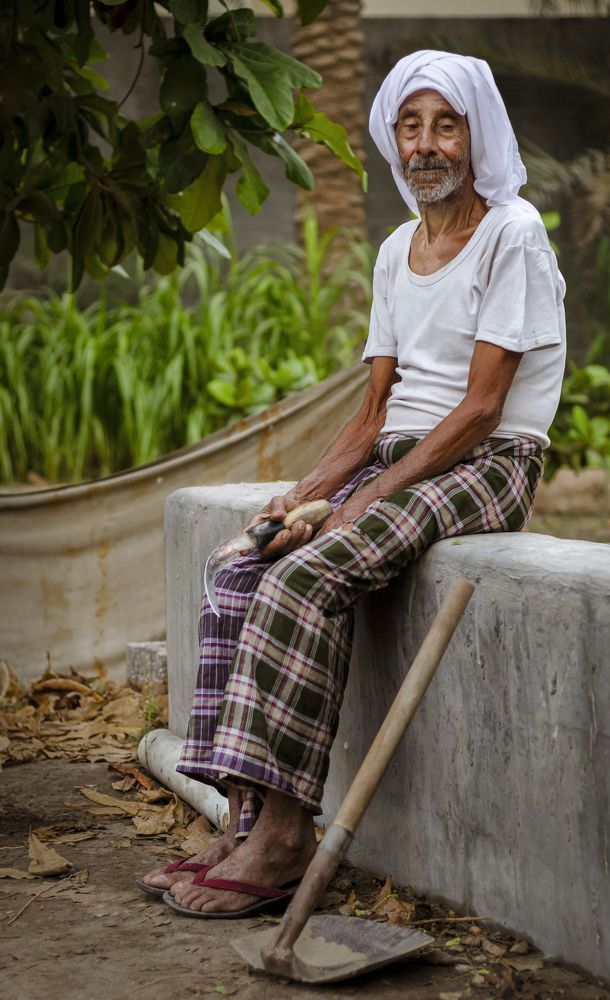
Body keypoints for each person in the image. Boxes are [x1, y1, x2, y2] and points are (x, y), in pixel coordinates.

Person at [139, 50, 566, 916]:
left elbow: (483, 408)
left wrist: (360, 503)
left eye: (446, 125)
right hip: (401, 456)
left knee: (305, 575)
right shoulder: (394, 248)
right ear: (392, 141)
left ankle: (288, 840)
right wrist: (301, 495)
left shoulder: (512, 232)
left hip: (488, 463)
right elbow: (373, 411)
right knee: (237, 570)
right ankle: (244, 817)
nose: (426, 144)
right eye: (410, 126)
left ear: (475, 135)